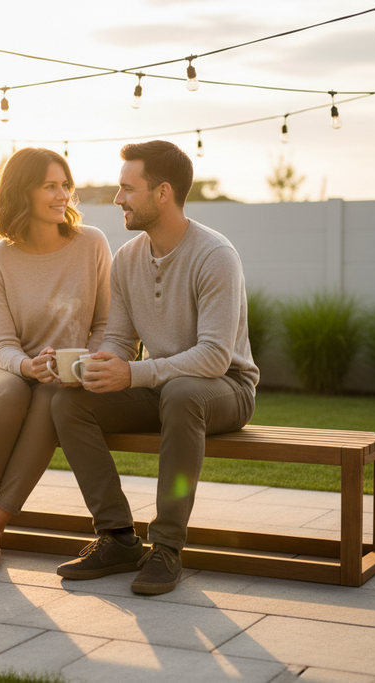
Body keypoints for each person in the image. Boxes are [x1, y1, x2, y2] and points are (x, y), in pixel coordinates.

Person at [51, 140, 259, 595]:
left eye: (128, 188)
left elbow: (214, 356)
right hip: (160, 388)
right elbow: (121, 341)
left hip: (225, 388)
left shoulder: (215, 255)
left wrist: (134, 374)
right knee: (69, 403)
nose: (118, 198)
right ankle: (117, 537)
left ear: (163, 193)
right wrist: (89, 366)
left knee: (182, 394)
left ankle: (166, 547)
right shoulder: (127, 259)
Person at [0, 147, 112, 571]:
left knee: (51, 401)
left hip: (58, 378)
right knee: (15, 391)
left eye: (65, 185)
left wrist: (81, 364)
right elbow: (2, 344)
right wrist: (27, 366)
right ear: (22, 192)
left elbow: (106, 323)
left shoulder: (92, 244)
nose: (63, 195)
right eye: (50, 186)